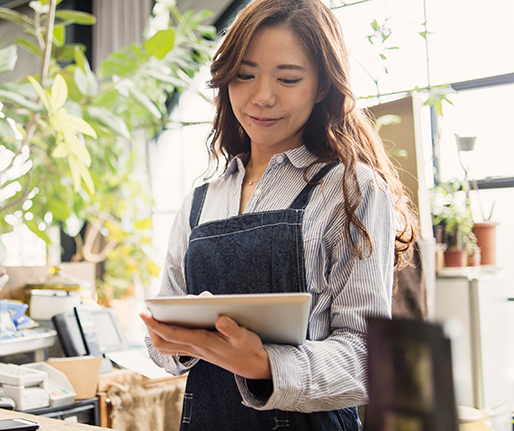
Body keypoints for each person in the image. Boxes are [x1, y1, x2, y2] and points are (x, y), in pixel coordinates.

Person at [140, 0, 417, 429]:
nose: (262, 96)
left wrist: (267, 364)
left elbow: (368, 357)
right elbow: (162, 343)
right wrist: (173, 341)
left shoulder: (349, 187)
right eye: (244, 75)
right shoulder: (200, 200)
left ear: (323, 86)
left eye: (288, 78)